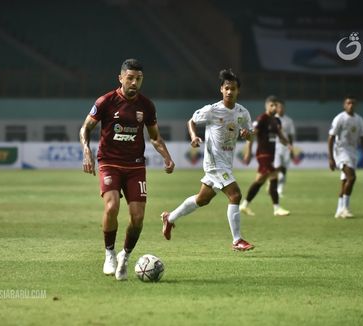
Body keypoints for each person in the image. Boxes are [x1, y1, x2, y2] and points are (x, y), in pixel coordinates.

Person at [80, 58, 175, 281]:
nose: (134, 82)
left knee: (138, 217)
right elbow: (86, 128)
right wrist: (87, 151)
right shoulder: (106, 101)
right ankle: (109, 253)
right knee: (112, 207)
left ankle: (126, 255)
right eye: (130, 78)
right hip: (109, 162)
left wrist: (167, 157)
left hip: (135, 165)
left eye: (138, 79)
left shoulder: (147, 106)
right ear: (120, 78)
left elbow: (154, 137)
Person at [160, 69, 255, 251]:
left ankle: (169, 218)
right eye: (226, 88)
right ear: (221, 89)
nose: (229, 92)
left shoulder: (243, 113)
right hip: (214, 162)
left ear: (238, 91)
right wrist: (194, 137)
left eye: (233, 89)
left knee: (202, 199)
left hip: (226, 162)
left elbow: (251, 136)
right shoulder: (212, 110)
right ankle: (237, 240)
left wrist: (247, 134)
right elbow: (191, 121)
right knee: (235, 195)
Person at [239, 95, 292, 217]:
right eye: (271, 105)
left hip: (271, 155)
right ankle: (277, 208)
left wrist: (287, 143)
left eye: (276, 106)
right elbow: (251, 136)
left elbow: (280, 134)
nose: (274, 108)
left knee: (259, 181)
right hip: (263, 154)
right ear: (267, 106)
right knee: (274, 177)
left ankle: (244, 205)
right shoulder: (262, 118)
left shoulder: (276, 121)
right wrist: (248, 152)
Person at [328, 95, 363, 219]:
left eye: (353, 103)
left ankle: (339, 210)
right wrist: (331, 158)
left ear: (355, 105)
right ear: (344, 105)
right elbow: (331, 137)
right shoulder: (340, 118)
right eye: (348, 103)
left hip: (352, 151)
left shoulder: (359, 120)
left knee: (346, 181)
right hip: (341, 151)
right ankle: (345, 208)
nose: (350, 105)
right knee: (352, 177)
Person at [274, 99, 296, 197]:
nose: (281, 109)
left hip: (286, 147)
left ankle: (279, 190)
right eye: (279, 107)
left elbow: (291, 135)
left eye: (282, 107)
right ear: (276, 108)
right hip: (275, 146)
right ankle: (273, 185)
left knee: (284, 170)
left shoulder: (289, 120)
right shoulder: (273, 119)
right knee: (277, 168)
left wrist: (291, 148)